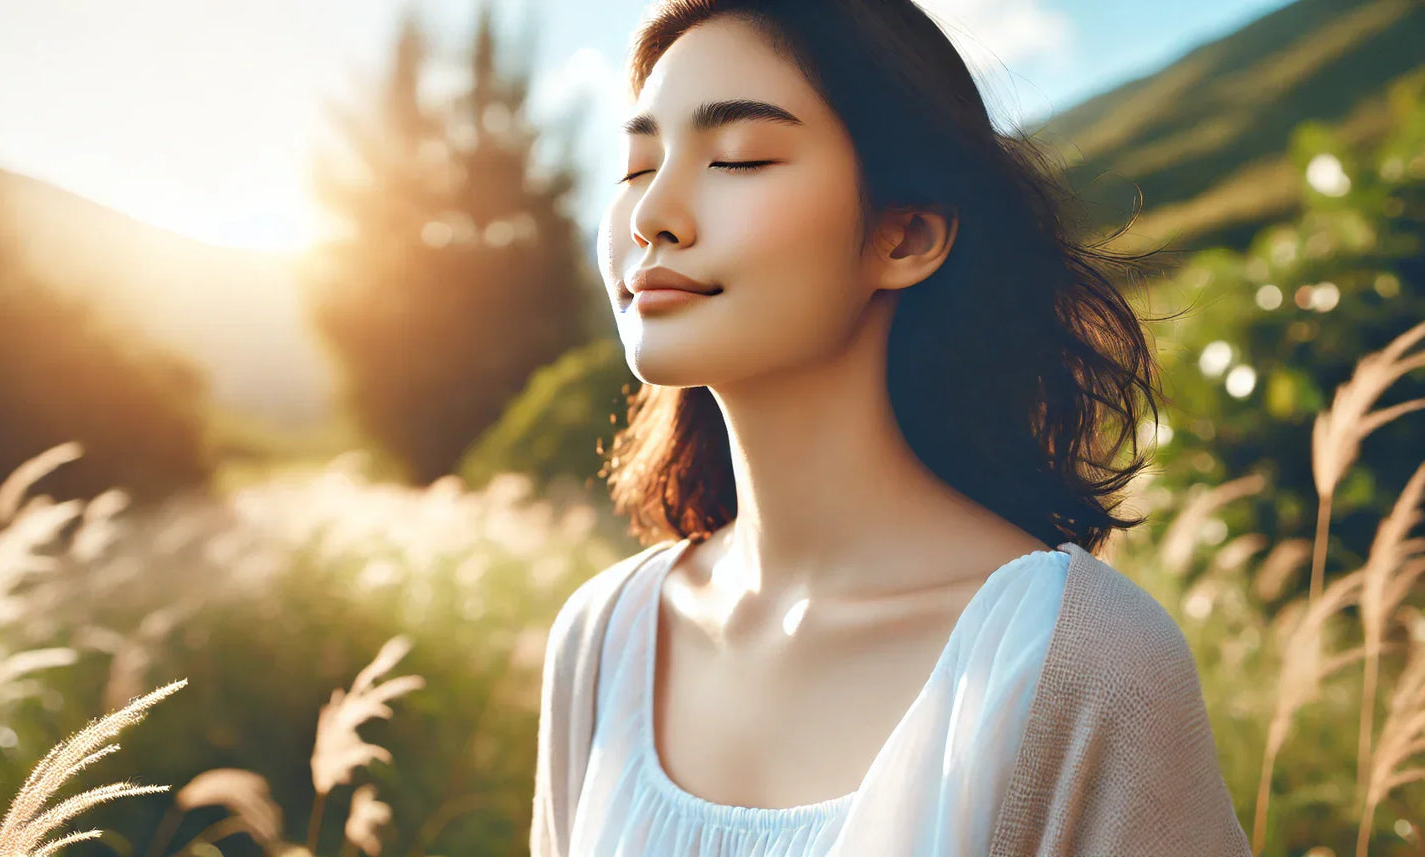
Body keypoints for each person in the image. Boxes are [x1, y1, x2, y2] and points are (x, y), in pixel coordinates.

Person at [532, 1, 1251, 854]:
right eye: (636, 164)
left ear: (905, 235)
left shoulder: (1082, 662)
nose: (654, 213)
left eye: (738, 158)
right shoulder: (606, 637)